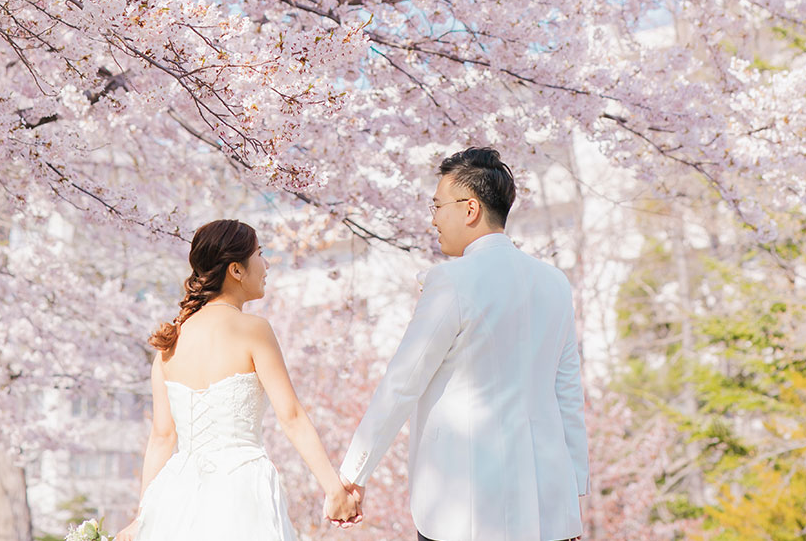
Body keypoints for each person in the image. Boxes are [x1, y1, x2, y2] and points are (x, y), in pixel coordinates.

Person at [334, 147, 590, 541]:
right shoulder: (555, 282)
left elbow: (403, 383)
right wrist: (570, 499)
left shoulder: (452, 281)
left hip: (465, 508)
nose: (433, 218)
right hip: (547, 510)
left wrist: (353, 474)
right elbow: (568, 394)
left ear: (470, 209)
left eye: (437, 205)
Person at [115, 219, 361, 541]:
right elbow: (291, 416)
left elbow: (161, 438)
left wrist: (143, 517)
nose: (267, 263)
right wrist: (334, 489)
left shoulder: (169, 344)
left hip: (176, 496)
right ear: (236, 270)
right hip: (242, 489)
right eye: (260, 254)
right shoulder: (254, 329)